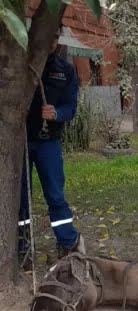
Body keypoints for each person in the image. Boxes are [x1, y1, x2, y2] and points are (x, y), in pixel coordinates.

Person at [18, 25, 83, 263]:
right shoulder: (20, 66)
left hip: (48, 144)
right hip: (20, 145)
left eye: (55, 36)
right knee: (20, 199)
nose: (51, 41)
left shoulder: (64, 71)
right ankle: (22, 249)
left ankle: (67, 244)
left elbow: (71, 108)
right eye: (48, 35)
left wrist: (57, 113)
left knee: (55, 196)